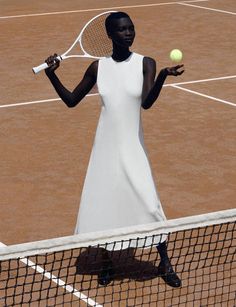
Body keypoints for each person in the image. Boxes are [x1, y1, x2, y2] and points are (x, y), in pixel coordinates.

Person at [45, 12, 184, 287]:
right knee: (107, 204)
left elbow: (146, 103)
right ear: (110, 35)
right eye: (122, 30)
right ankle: (107, 262)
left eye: (131, 28)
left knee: (148, 201)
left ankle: (165, 261)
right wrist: (51, 75)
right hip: (105, 149)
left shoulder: (146, 63)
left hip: (133, 148)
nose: (129, 33)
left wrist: (163, 77)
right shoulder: (99, 68)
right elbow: (72, 100)